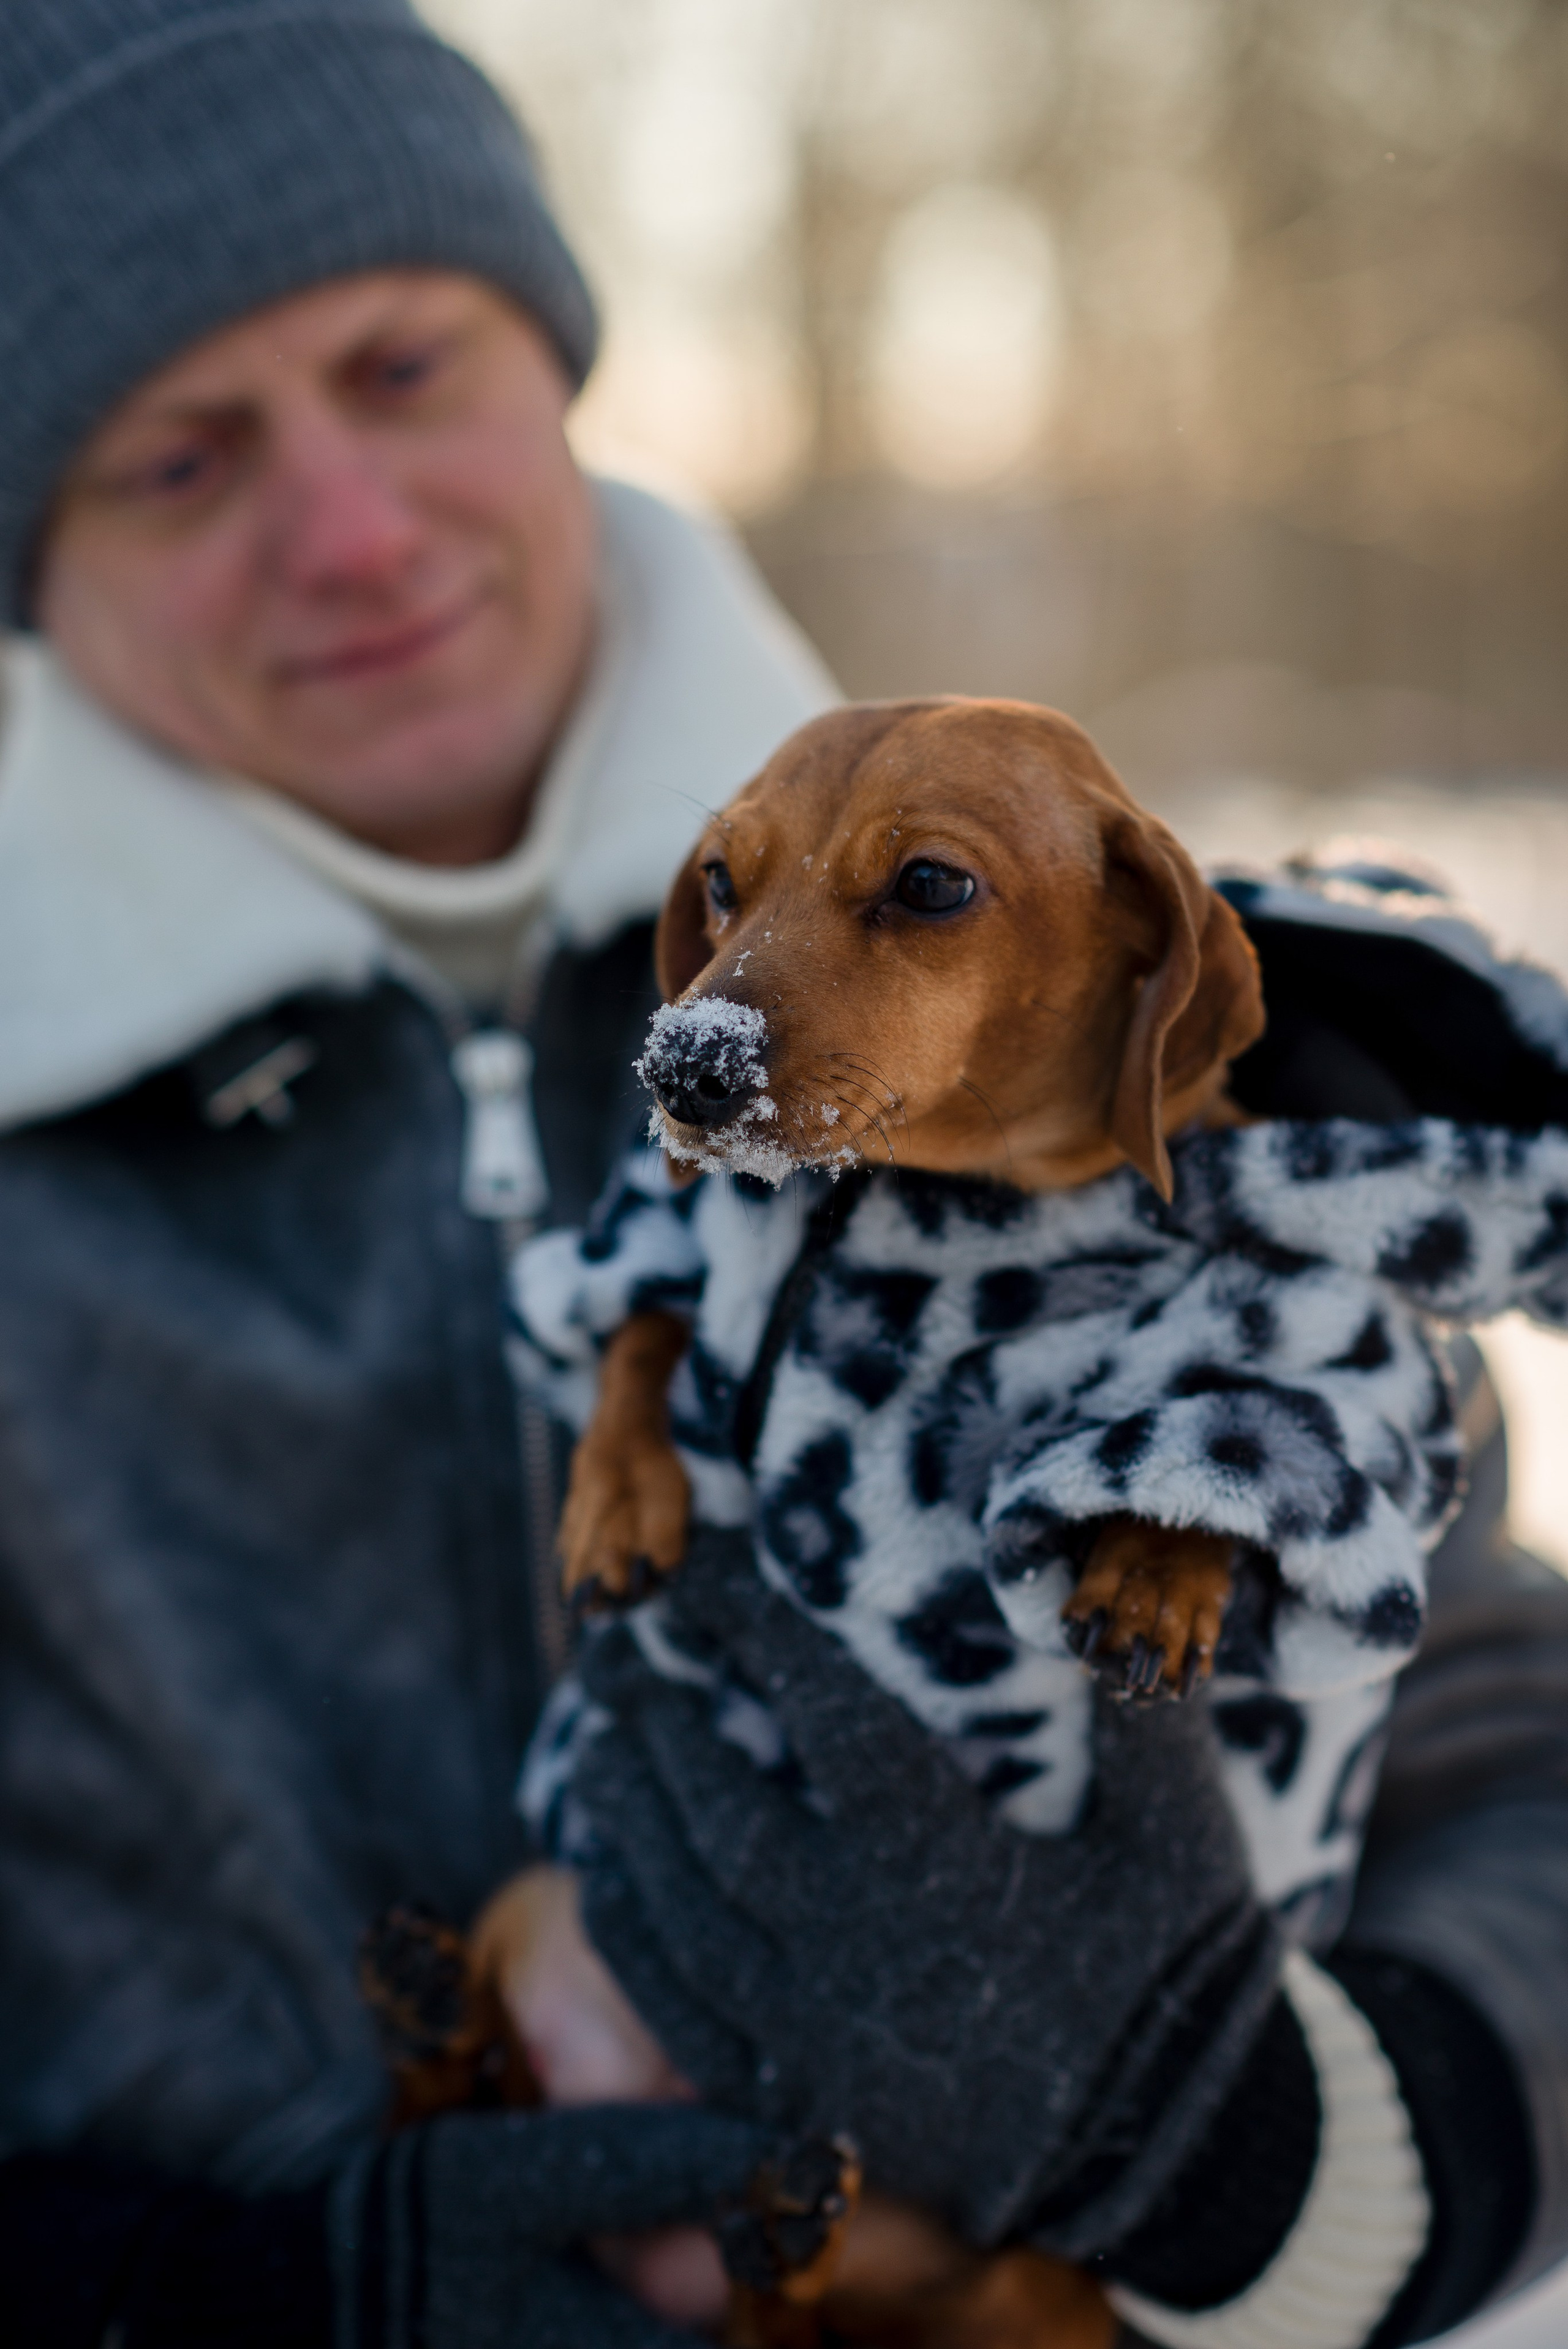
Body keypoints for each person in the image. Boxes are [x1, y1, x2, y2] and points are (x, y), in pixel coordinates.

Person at [0, 4, 1562, 2345]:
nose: (346, 527)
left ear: (551, 360)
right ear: (32, 556)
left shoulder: (1089, 942)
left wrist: (1288, 2162)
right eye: (182, 456)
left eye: (402, 366)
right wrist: (211, 2296)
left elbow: (1497, 1734)